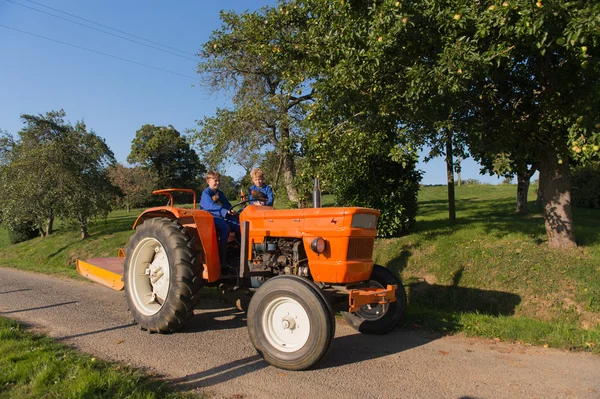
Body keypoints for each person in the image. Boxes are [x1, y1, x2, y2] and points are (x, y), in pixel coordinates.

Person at [200, 170, 240, 268]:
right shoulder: (206, 193)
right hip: (209, 216)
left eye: (218, 180)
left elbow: (226, 204)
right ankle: (222, 259)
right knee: (225, 227)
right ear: (208, 181)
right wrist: (224, 211)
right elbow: (210, 206)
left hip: (220, 215)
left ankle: (241, 252)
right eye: (215, 180)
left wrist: (230, 211)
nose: (217, 183)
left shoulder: (219, 193)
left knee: (238, 223)